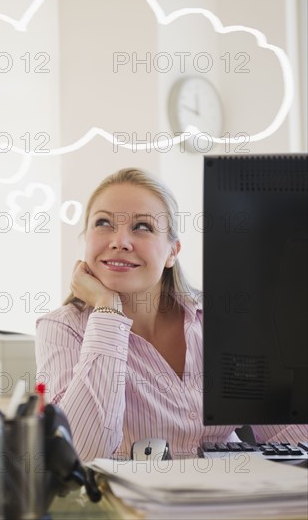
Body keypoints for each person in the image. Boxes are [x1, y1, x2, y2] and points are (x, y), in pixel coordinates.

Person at [35, 167, 307, 462]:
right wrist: (106, 310)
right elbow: (81, 453)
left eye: (142, 227)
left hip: (231, 500)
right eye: (103, 223)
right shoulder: (62, 329)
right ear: (86, 239)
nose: (119, 241)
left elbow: (292, 442)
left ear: (171, 253)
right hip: (130, 506)